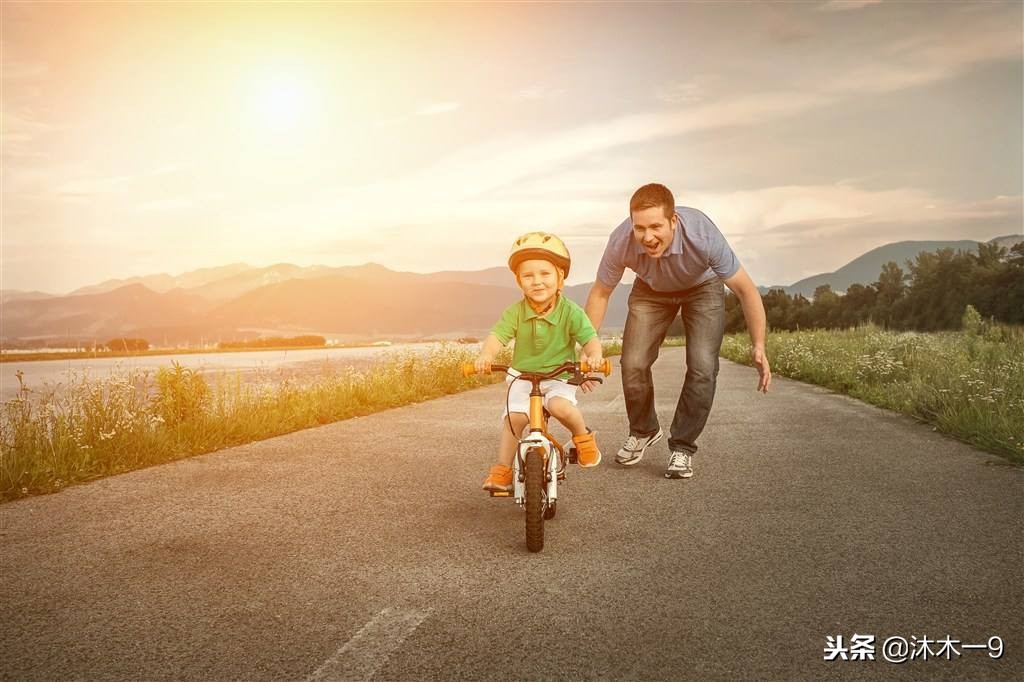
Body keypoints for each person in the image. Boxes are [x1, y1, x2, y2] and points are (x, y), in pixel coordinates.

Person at [584, 183, 771, 480]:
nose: (647, 237)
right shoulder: (620, 240)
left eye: (656, 226)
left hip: (702, 286)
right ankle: (644, 430)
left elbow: (746, 291)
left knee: (702, 366)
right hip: (650, 289)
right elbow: (600, 293)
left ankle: (682, 447)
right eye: (640, 228)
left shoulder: (702, 235)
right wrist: (587, 345)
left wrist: (758, 344)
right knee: (632, 362)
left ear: (673, 221)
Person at [475, 232, 606, 492]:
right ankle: (502, 469)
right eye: (528, 276)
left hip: (560, 376)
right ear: (518, 281)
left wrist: (594, 356)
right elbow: (496, 337)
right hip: (522, 376)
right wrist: (486, 355)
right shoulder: (515, 312)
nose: (537, 282)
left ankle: (583, 437)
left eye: (545, 274)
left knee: (559, 406)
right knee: (515, 419)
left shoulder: (571, 312)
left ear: (560, 278)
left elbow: (589, 338)